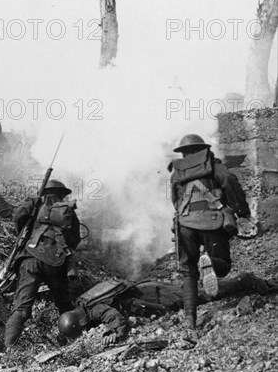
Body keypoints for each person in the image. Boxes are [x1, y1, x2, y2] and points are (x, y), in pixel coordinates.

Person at [169, 134, 251, 336]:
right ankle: (211, 264)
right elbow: (229, 180)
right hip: (211, 221)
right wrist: (242, 211)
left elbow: (174, 200)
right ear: (202, 149)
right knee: (223, 267)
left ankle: (190, 320)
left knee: (188, 271)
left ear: (184, 152)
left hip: (185, 224)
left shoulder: (176, 172)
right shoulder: (212, 165)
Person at [58, 273, 276, 342]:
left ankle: (245, 280)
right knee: (195, 291)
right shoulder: (83, 302)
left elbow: (115, 317)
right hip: (145, 289)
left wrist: (116, 333)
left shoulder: (94, 310)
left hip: (153, 294)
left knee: (200, 295)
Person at [3, 179, 81, 349]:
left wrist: (26, 234)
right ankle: (74, 342)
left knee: (22, 308)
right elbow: (75, 239)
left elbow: (18, 216)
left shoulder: (34, 203)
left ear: (44, 191)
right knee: (63, 303)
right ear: (62, 194)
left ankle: (8, 349)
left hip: (30, 257)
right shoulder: (67, 211)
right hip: (56, 262)